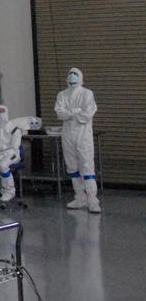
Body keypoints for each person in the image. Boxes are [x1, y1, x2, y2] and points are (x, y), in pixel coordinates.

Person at [55, 67, 100, 213]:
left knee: (86, 167)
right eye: (70, 74)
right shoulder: (62, 94)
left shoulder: (87, 93)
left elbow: (87, 114)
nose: (72, 76)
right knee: (72, 167)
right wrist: (74, 112)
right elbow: (59, 113)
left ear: (80, 77)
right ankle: (80, 198)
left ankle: (92, 200)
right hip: (67, 135)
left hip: (83, 136)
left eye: (75, 74)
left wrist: (71, 114)